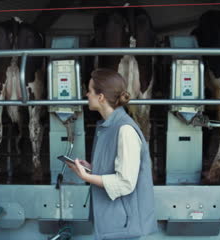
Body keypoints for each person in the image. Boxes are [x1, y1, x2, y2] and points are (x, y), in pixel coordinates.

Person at [67, 68, 157, 240]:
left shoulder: (125, 130)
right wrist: (92, 169)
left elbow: (125, 183)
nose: (86, 94)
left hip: (124, 225)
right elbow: (118, 167)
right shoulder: (109, 126)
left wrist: (86, 177)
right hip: (114, 222)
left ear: (100, 97)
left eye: (90, 90)